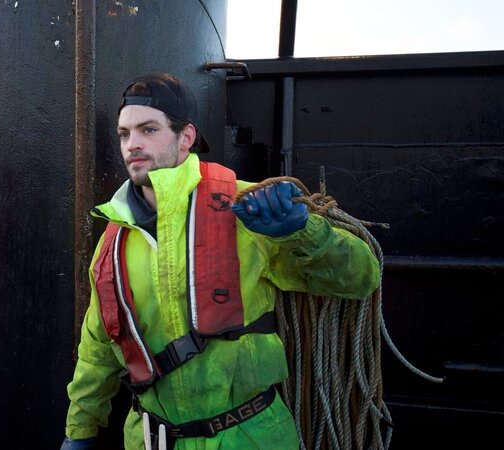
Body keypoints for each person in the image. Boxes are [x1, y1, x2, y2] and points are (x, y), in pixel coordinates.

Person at [60, 73, 380, 450]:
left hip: (249, 437)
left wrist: (300, 231)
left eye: (148, 129)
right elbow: (98, 350)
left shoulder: (249, 207)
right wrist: (78, 432)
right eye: (125, 134)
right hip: (151, 440)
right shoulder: (113, 242)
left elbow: (360, 277)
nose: (133, 145)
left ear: (186, 137)